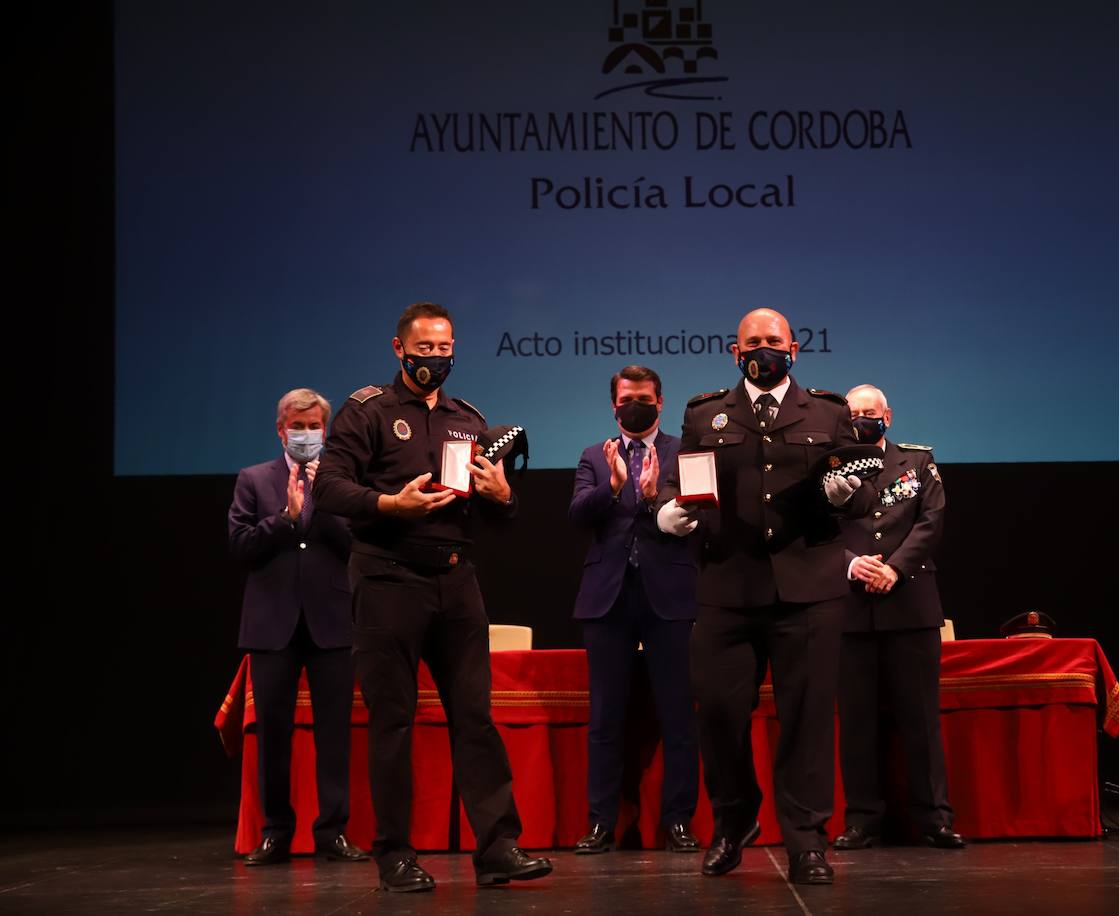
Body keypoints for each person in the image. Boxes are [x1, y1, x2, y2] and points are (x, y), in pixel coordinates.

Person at [312, 302, 553, 893]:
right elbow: (329, 487)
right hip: (388, 580)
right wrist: (389, 505)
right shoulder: (367, 410)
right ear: (400, 350)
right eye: (425, 349)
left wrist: (500, 496)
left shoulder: (466, 418)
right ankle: (395, 854)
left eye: (445, 349)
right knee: (393, 722)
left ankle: (498, 848)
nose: (436, 359)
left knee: (475, 717)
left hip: (456, 579)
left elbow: (492, 516)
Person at [656, 308, 862, 885]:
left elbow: (855, 484)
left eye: (773, 340)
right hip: (728, 585)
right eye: (753, 342)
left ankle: (806, 841)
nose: (763, 349)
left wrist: (843, 493)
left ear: (794, 348)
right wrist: (670, 511)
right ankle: (733, 819)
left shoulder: (828, 410)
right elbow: (682, 479)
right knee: (719, 713)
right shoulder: (706, 413)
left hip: (808, 589)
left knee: (807, 719)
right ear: (734, 350)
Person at [228, 388, 367, 866]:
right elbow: (241, 546)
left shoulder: (343, 480)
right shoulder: (253, 480)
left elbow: (358, 547)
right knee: (273, 734)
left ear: (325, 431)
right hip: (272, 627)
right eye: (296, 426)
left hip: (331, 622)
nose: (305, 434)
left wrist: (323, 498)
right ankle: (276, 832)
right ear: (280, 429)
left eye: (313, 427)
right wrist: (286, 519)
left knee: (335, 734)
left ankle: (332, 832)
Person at [569, 366, 700, 855]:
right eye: (626, 399)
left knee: (678, 717)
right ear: (614, 406)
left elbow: (702, 519)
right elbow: (578, 515)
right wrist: (615, 486)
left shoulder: (685, 452)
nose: (634, 406)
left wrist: (650, 500)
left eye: (644, 398)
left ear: (661, 402)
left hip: (670, 594)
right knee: (606, 718)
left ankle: (678, 822)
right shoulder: (593, 456)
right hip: (607, 598)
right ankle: (601, 822)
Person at [832, 384, 964, 850]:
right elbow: (817, 532)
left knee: (921, 720)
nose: (864, 419)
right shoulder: (829, 469)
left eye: (871, 412)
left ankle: (934, 819)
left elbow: (931, 521)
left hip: (909, 603)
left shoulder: (918, 461)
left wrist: (895, 568)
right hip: (849, 610)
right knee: (857, 722)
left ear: (887, 415)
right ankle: (863, 820)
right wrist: (850, 562)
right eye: (855, 413)